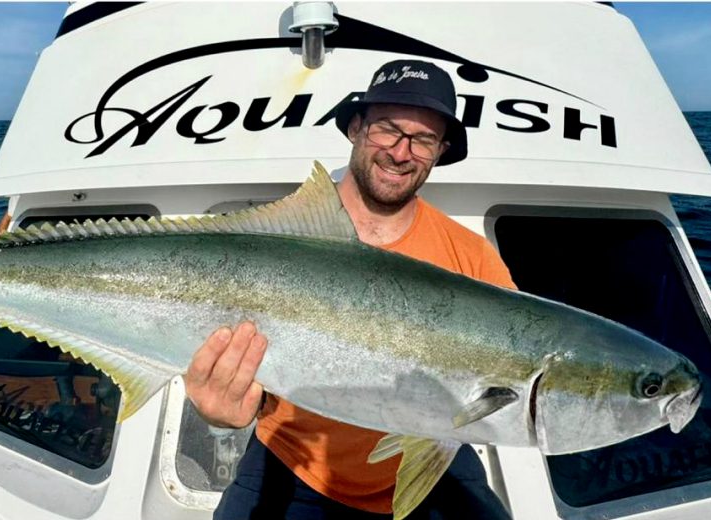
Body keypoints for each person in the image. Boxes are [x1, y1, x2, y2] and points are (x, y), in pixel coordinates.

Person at [184, 60, 516, 519]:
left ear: (439, 151)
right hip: (292, 460)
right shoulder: (279, 240)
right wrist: (218, 414)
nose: (401, 152)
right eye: (387, 130)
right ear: (356, 128)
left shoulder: (472, 257)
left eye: (423, 139)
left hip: (432, 457)